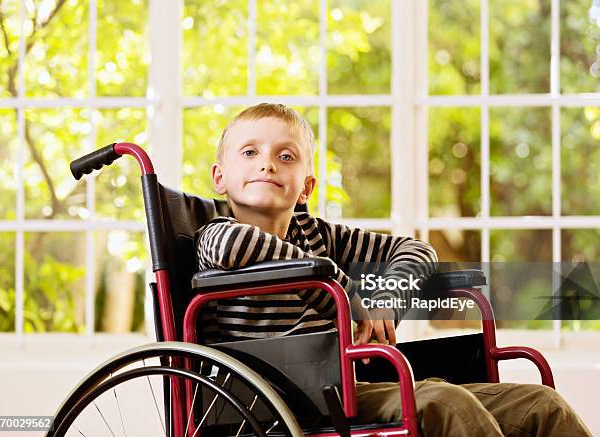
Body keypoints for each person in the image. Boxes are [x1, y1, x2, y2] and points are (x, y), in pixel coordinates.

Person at [194, 103, 592, 436]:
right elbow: (245, 248)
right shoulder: (217, 235)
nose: (267, 164)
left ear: (306, 188)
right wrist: (349, 298)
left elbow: (416, 250)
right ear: (219, 177)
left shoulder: (316, 235)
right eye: (249, 152)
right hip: (271, 400)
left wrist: (383, 299)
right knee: (443, 401)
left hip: (341, 386)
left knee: (540, 405)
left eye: (286, 156)